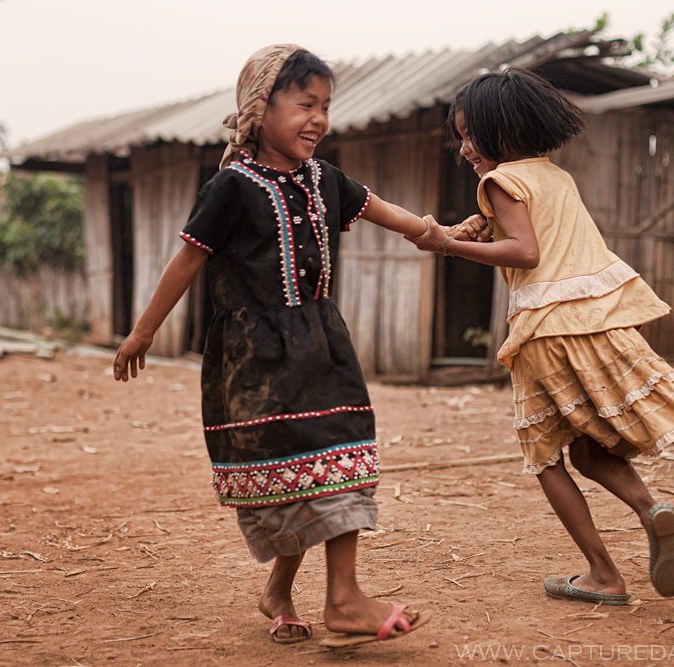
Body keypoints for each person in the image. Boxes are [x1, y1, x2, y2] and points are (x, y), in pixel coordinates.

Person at [112, 44, 444, 647]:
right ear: (260, 108)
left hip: (322, 342)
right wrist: (143, 330)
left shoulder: (326, 179)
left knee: (337, 454)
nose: (319, 118)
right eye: (305, 103)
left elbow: (386, 212)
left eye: (326, 106)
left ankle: (337, 597)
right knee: (297, 467)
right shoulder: (231, 187)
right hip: (256, 360)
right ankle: (298, 593)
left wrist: (438, 234)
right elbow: (188, 258)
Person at [408, 67, 674, 604]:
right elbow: (537, 234)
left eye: (467, 135)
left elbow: (526, 252)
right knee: (590, 453)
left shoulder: (498, 181)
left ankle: (604, 574)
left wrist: (448, 245)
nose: (462, 149)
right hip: (593, 323)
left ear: (501, 132)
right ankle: (652, 510)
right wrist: (480, 225)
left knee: (546, 456)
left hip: (543, 331)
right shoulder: (555, 177)